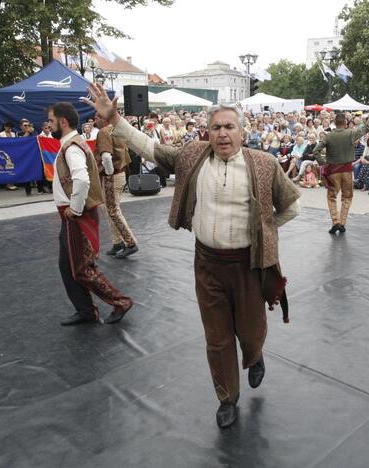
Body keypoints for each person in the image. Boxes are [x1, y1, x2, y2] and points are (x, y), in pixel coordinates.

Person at [85, 83, 300, 429]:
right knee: (217, 338)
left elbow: (293, 205)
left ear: (242, 131)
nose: (222, 133)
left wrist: (266, 229)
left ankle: (255, 355)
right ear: (207, 132)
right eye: (216, 127)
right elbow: (151, 148)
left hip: (248, 266)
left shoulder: (264, 163)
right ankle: (227, 397)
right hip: (208, 266)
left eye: (230, 126)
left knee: (251, 332)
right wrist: (115, 120)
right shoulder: (192, 155)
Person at [46, 102, 133, 329]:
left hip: (76, 216)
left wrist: (74, 209)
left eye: (52, 121)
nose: (49, 125)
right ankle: (85, 310)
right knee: (67, 267)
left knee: (82, 269)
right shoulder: (72, 144)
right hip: (71, 216)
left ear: (63, 122)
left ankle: (120, 302)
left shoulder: (72, 147)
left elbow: (82, 180)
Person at [314, 97, 369, 234]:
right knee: (347, 197)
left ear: (334, 122)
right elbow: (367, 127)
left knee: (331, 197)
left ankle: (335, 221)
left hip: (332, 171)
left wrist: (323, 163)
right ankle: (342, 223)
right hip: (347, 171)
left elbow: (315, 151)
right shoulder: (350, 134)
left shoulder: (328, 136)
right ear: (345, 123)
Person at [95, 113, 138, 259]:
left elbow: (106, 156)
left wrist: (108, 173)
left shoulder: (104, 132)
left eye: (97, 118)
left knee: (112, 210)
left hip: (111, 176)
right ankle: (117, 242)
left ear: (104, 119)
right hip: (120, 174)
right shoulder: (117, 129)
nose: (95, 120)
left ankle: (130, 243)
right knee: (110, 209)